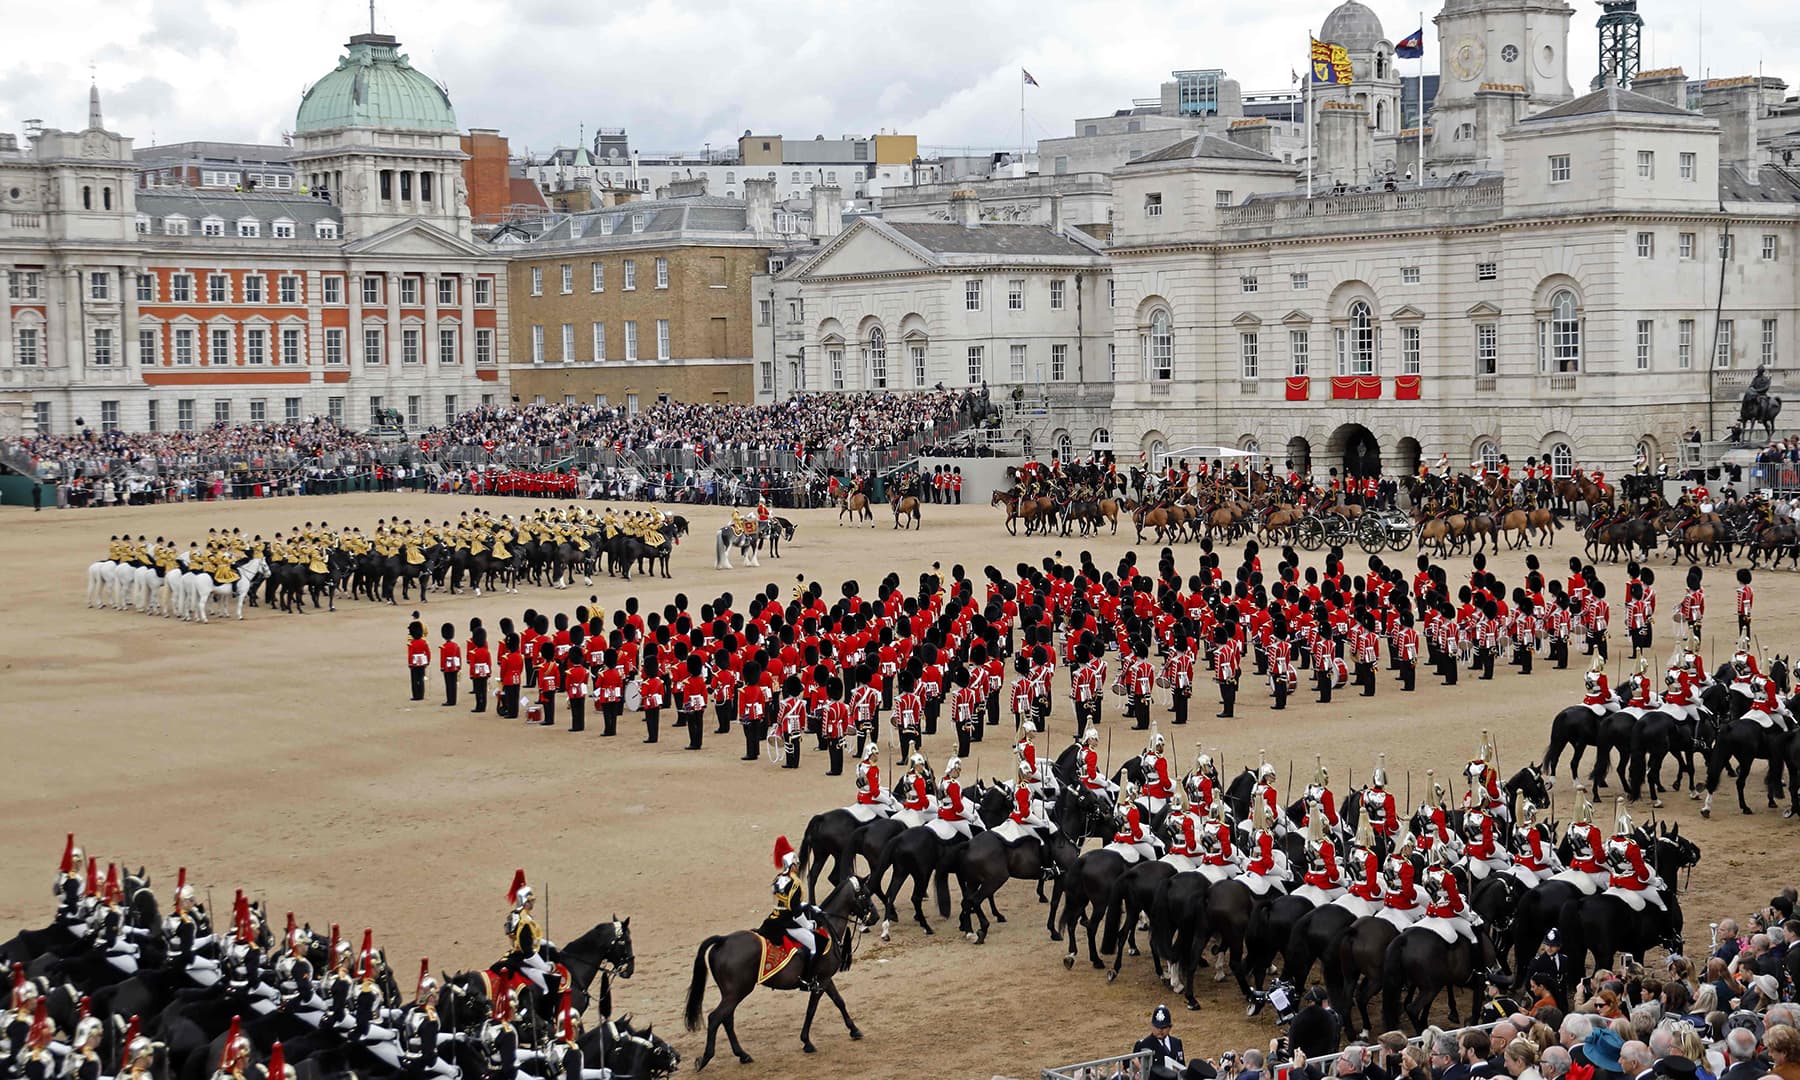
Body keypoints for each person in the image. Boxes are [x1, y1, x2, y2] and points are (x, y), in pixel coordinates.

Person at [764, 837, 821, 991]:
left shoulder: (778, 879)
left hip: (773, 919)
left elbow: (787, 903)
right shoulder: (794, 882)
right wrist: (808, 925)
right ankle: (808, 980)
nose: (797, 867)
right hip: (789, 923)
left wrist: (810, 907)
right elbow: (795, 911)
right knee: (815, 945)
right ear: (792, 865)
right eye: (796, 864)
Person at [1132, 1004, 1212, 1080]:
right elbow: (1131, 1069)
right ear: (1152, 1026)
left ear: (1170, 1027)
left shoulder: (1176, 1042)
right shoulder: (1143, 1044)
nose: (1160, 1030)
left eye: (1163, 1027)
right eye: (1157, 1027)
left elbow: (1181, 1066)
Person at [438, 623, 462, 707]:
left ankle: (449, 700)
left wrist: (442, 667)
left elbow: (443, 658)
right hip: (455, 666)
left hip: (447, 667)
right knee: (453, 684)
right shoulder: (456, 645)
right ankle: (453, 700)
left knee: (448, 684)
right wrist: (459, 666)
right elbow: (458, 656)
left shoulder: (444, 647)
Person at [407, 618, 431, 702]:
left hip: (414, 663)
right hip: (422, 662)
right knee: (421, 679)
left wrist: (410, 663)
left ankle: (416, 695)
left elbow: (410, 655)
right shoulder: (424, 642)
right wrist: (427, 661)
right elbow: (428, 652)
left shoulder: (411, 643)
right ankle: (421, 694)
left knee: (414, 680)